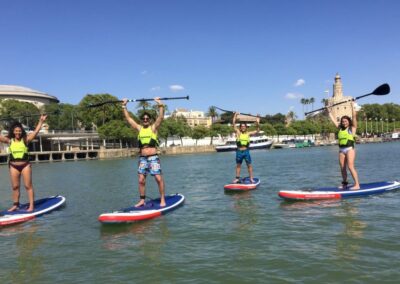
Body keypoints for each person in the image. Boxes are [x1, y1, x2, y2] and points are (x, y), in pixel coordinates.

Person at [122, 97, 166, 207]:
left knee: (158, 178)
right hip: (142, 158)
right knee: (141, 180)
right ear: (142, 120)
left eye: (147, 118)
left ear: (150, 120)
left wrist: (160, 104)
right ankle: (142, 200)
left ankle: (162, 199)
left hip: (153, 157)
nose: (145, 120)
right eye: (143, 118)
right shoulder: (139, 128)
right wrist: (124, 106)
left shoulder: (153, 128)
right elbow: (128, 119)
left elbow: (160, 117)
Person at [0, 115, 47, 211]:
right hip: (13, 166)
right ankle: (15, 205)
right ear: (13, 131)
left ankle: (31, 205)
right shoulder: (9, 141)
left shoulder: (26, 140)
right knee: (15, 186)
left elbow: (35, 132)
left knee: (28, 186)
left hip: (25, 165)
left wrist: (41, 121)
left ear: (22, 132)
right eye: (16, 131)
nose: (18, 132)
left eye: (19, 131)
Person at [328, 102, 360, 190]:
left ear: (348, 122)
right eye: (342, 121)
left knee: (350, 166)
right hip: (341, 150)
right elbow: (333, 120)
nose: (344, 122)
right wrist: (329, 111)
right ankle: (345, 184)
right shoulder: (340, 128)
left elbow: (354, 117)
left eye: (345, 121)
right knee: (342, 168)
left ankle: (357, 184)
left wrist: (352, 106)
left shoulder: (352, 128)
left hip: (350, 149)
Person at [232, 112, 260, 183]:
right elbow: (233, 123)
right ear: (240, 127)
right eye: (242, 126)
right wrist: (235, 115)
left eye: (244, 126)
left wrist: (257, 122)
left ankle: (251, 178)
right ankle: (237, 178)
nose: (243, 127)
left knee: (249, 165)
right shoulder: (238, 132)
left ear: (246, 127)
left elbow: (257, 131)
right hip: (239, 152)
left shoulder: (248, 133)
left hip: (246, 151)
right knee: (238, 165)